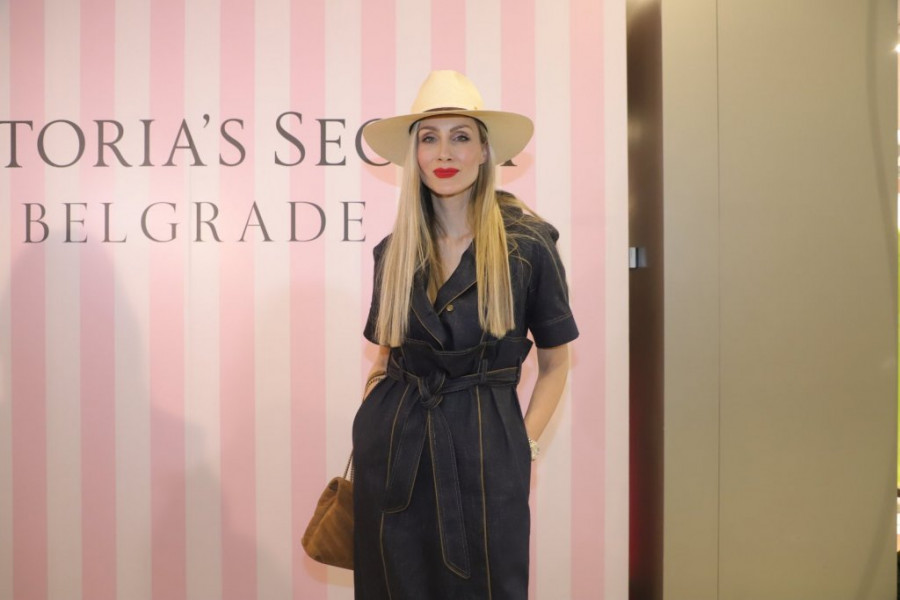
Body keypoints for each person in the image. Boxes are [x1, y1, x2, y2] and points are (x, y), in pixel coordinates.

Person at [353, 70, 578, 600]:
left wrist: (522, 446)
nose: (444, 152)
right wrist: (373, 425)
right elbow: (384, 357)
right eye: (429, 138)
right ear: (414, 154)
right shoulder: (394, 251)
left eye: (461, 136)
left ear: (484, 151)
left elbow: (556, 363)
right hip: (394, 451)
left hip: (487, 451)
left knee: (489, 585)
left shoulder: (528, 246)